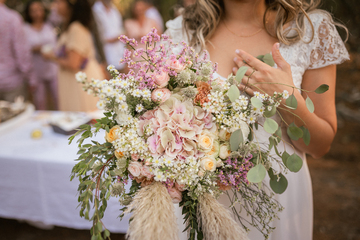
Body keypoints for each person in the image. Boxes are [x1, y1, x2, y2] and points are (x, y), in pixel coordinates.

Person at [165, 0, 349, 239]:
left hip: (276, 198)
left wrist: (285, 96)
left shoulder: (309, 28)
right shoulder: (184, 30)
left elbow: (321, 145)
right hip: (198, 199)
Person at [45, 0, 105, 112]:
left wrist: (51, 56)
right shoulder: (71, 27)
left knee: (83, 122)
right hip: (76, 81)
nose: (55, 5)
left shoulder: (76, 28)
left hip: (80, 83)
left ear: (69, 6)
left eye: (59, 2)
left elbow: (73, 63)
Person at [23, 0, 58, 110]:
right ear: (28, 13)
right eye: (33, 11)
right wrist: (34, 48)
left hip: (52, 68)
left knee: (58, 98)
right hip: (36, 70)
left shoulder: (49, 26)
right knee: (40, 102)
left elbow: (56, 44)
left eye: (39, 9)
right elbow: (22, 49)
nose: (37, 13)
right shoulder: (25, 29)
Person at [0, 0, 36, 102]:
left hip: (11, 80)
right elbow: (22, 52)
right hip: (12, 82)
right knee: (17, 117)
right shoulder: (12, 18)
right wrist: (31, 78)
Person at [92, 0, 125, 70]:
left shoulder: (114, 10)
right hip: (104, 56)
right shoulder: (95, 11)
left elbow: (120, 28)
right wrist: (114, 39)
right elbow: (96, 36)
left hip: (119, 54)